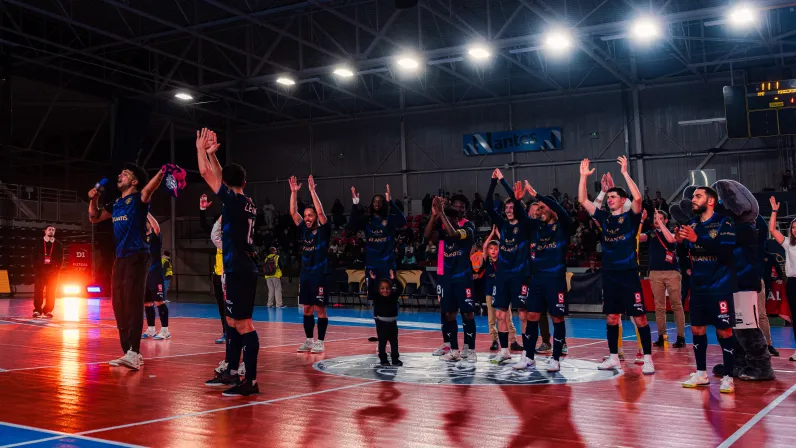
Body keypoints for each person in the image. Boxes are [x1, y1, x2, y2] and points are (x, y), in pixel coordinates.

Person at [197, 128, 260, 397]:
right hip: (240, 266)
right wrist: (215, 155)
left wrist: (201, 150)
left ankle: (252, 382)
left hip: (239, 268)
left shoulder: (233, 202)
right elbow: (221, 176)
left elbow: (206, 175)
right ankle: (232, 370)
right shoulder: (246, 200)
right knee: (233, 321)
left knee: (244, 324)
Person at [578, 157, 655, 374]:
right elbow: (583, 200)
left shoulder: (631, 218)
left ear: (622, 200)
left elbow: (638, 197)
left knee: (639, 318)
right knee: (612, 317)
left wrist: (624, 173)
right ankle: (613, 357)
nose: (609, 199)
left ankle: (648, 358)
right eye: (608, 196)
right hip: (609, 275)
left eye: (613, 196)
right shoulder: (604, 218)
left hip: (629, 274)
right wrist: (583, 177)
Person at [88, 162, 164, 370]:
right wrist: (94, 199)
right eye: (120, 172)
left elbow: (150, 188)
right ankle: (128, 352)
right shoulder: (116, 204)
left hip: (138, 256)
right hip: (120, 258)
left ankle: (135, 351)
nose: (120, 174)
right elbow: (94, 218)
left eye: (126, 173)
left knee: (132, 301)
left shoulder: (139, 199)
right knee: (118, 304)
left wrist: (162, 171)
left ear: (134, 181)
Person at [677, 187, 739, 393]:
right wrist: (681, 243)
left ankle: (729, 375)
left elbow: (727, 252)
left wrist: (698, 240)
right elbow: (684, 251)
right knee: (696, 329)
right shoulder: (692, 224)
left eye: (698, 196)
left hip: (719, 286)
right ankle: (701, 373)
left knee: (724, 330)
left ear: (711, 201)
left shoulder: (724, 222)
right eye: (693, 196)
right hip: (698, 286)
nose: (693, 200)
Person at [513, 181, 571, 371]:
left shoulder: (563, 227)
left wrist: (538, 196)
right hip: (536, 280)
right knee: (531, 316)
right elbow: (522, 216)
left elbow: (561, 211)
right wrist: (518, 199)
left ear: (553, 209)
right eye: (539, 209)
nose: (540, 211)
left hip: (555, 280)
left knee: (557, 318)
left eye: (544, 208)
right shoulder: (536, 227)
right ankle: (529, 356)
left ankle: (555, 358)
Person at [486, 168, 535, 364]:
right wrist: (493, 183)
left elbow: (518, 207)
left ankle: (526, 352)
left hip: (521, 275)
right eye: (505, 207)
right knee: (500, 313)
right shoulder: (503, 224)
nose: (508, 210)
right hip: (503, 276)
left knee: (523, 314)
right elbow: (488, 206)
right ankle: (504, 350)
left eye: (511, 207)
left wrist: (505, 182)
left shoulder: (524, 224)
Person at [349, 184, 406, 341]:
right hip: (372, 265)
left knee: (391, 298)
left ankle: (391, 333)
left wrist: (391, 202)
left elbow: (403, 220)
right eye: (375, 200)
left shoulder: (390, 219)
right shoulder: (367, 220)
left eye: (381, 200)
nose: (377, 202)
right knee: (375, 299)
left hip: (388, 265)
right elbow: (352, 225)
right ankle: (381, 334)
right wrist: (355, 204)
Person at [430, 194, 477, 362]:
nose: (459, 209)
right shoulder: (443, 229)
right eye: (456, 206)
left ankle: (470, 349)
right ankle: (452, 347)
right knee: (447, 312)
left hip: (462, 277)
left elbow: (454, 234)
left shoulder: (468, 227)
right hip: (445, 275)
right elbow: (428, 236)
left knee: (467, 313)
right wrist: (435, 215)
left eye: (461, 207)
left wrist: (441, 212)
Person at [291, 175, 332, 354]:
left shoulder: (323, 231)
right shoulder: (304, 230)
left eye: (310, 215)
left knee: (319, 309)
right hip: (305, 274)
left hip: (319, 274)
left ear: (316, 216)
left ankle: (320, 341)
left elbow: (322, 213)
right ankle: (309, 340)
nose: (307, 218)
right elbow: (293, 213)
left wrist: (312, 192)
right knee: (307, 308)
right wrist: (293, 193)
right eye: (305, 215)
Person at [639, 210, 686, 348]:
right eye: (654, 218)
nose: (656, 220)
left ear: (666, 220)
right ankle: (661, 336)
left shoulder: (672, 233)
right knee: (659, 307)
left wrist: (660, 224)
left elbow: (671, 240)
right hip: (655, 273)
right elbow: (637, 237)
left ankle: (681, 337)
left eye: (660, 218)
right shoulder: (651, 234)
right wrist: (641, 221)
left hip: (672, 273)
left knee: (677, 305)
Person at [479, 226, 519, 351]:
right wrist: (492, 234)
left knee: (508, 317)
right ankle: (494, 340)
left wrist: (499, 234)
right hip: (490, 291)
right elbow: (484, 248)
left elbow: (507, 247)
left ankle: (513, 341)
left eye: (496, 249)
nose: (493, 251)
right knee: (492, 318)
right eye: (491, 249)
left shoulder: (503, 260)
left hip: (503, 292)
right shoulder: (487, 261)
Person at [767, 197, 796, 361]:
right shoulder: (788, 244)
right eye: (793, 227)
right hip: (792, 283)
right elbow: (772, 229)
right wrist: (774, 211)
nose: (795, 230)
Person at [199, 194, 228, 344]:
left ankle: (231, 333)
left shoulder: (232, 235)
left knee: (228, 306)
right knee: (221, 306)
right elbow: (205, 227)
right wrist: (202, 210)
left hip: (228, 275)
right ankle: (225, 331)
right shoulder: (218, 235)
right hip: (217, 274)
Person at [141, 214, 170, 340]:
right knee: (147, 303)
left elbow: (157, 228)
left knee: (159, 302)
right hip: (145, 275)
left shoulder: (155, 236)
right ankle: (151, 329)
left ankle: (165, 331)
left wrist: (146, 212)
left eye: (146, 222)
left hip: (155, 274)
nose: (145, 224)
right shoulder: (140, 240)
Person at [370, 271, 402, 366]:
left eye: (388, 288)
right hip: (382, 324)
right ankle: (383, 359)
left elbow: (400, 289)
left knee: (394, 343)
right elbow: (371, 291)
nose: (385, 290)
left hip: (392, 324)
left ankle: (395, 359)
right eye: (382, 288)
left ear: (391, 289)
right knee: (382, 342)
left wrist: (394, 279)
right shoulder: (377, 297)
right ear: (379, 289)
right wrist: (372, 280)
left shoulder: (393, 296)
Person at [31, 225, 63, 319]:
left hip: (53, 272)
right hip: (40, 271)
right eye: (49, 229)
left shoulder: (58, 244)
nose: (51, 231)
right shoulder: (38, 243)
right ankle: (37, 310)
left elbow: (61, 259)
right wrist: (36, 269)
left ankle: (48, 310)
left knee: (51, 291)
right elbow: (34, 257)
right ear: (45, 231)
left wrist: (56, 270)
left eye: (53, 230)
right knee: (38, 291)